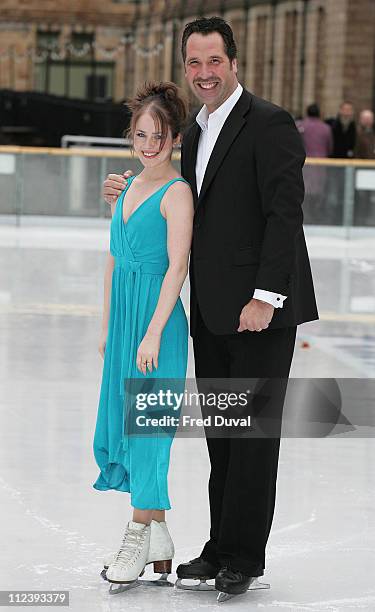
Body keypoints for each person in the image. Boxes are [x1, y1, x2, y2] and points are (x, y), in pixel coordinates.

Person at [102, 16, 318, 601]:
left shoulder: (270, 123)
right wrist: (127, 188)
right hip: (212, 312)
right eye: (193, 63)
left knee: (251, 439)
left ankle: (243, 557)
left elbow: (284, 215)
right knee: (223, 438)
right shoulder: (193, 132)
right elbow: (178, 196)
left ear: (234, 63)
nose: (203, 73)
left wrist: (266, 297)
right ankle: (220, 546)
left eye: (214, 62)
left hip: (260, 311)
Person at [93, 81, 194, 591]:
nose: (148, 143)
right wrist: (110, 326)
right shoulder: (128, 186)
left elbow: (177, 268)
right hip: (126, 323)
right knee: (131, 429)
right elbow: (113, 259)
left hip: (159, 327)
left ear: (174, 137)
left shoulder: (178, 194)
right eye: (140, 134)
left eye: (158, 135)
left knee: (150, 431)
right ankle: (159, 540)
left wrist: (152, 333)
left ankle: (138, 535)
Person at [297, 103, 333, 223]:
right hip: (321, 165)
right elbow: (330, 147)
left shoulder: (301, 125)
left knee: (306, 190)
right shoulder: (326, 128)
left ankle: (307, 216)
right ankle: (316, 215)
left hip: (305, 163)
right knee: (319, 190)